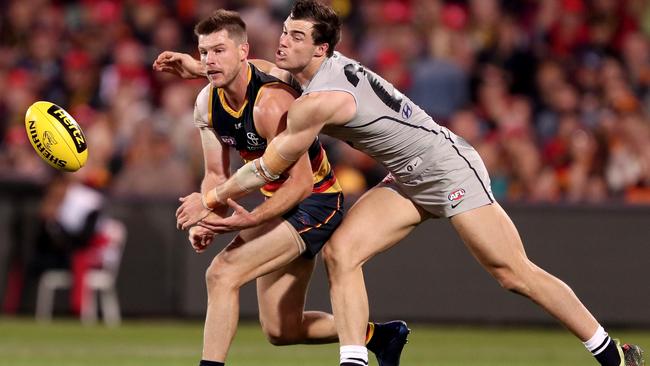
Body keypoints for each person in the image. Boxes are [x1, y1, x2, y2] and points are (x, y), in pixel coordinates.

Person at [160, 2, 646, 366]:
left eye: (295, 37)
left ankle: (612, 353)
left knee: (512, 273)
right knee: (340, 253)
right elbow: (255, 70)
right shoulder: (306, 74)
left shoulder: (319, 100)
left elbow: (267, 167)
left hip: (447, 167)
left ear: (321, 49)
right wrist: (198, 67)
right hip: (406, 178)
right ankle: (356, 357)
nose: (282, 43)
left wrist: (210, 199)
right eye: (284, 32)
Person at [153, 10, 409, 366]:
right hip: (282, 201)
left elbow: (302, 183)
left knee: (222, 273)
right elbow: (215, 174)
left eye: (219, 51)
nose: (210, 60)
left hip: (317, 203)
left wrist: (243, 220)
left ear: (243, 52)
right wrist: (209, 216)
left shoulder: (271, 102)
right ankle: (380, 336)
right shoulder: (206, 105)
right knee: (281, 330)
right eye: (204, 52)